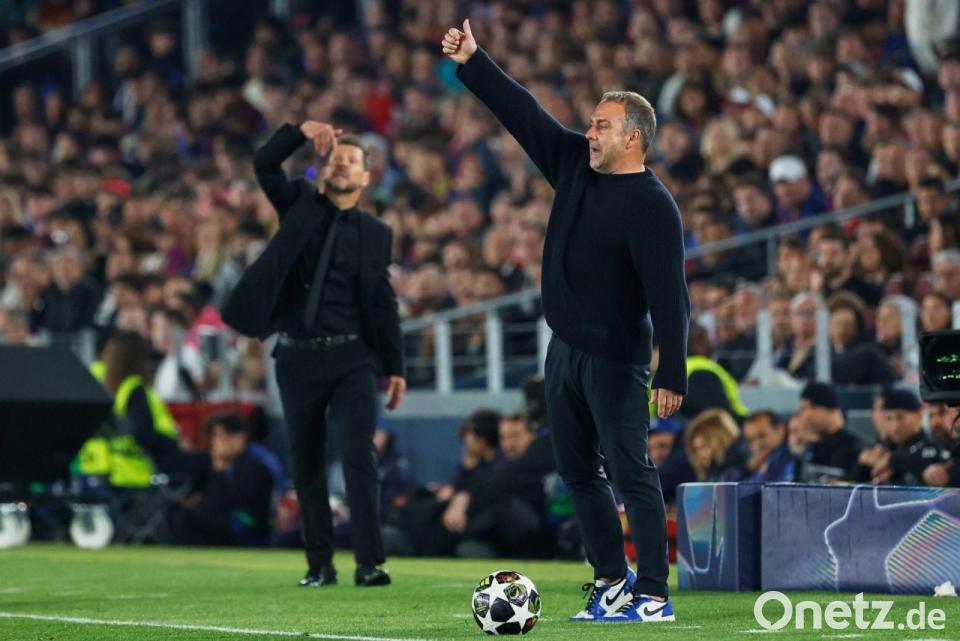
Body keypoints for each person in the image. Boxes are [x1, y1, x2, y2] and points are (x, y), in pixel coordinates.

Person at [444, 19, 687, 622]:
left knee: (632, 472)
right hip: (564, 350)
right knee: (578, 473)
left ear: (633, 137)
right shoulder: (576, 165)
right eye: (591, 123)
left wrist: (673, 371)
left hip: (616, 357)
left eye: (602, 125)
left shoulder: (653, 205)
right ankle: (611, 582)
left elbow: (670, 296)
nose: (590, 132)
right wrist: (475, 61)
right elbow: (524, 114)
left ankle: (654, 595)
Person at [222, 122, 406, 588]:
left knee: (359, 458)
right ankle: (319, 564)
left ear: (366, 178)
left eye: (352, 161)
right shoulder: (299, 203)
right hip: (297, 357)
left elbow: (382, 301)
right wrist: (299, 132)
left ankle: (369, 563)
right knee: (305, 462)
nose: (342, 164)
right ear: (324, 168)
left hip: (352, 358)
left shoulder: (377, 232)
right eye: (336, 158)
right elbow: (264, 163)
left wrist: (395, 367)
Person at [171, 413, 278, 546]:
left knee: (191, 519)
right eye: (213, 436)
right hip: (226, 516)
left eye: (220, 436)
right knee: (176, 510)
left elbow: (229, 502)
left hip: (248, 522)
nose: (214, 442)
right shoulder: (230, 462)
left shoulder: (257, 464)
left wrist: (219, 473)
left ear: (239, 437)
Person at [795, 382, 863, 482]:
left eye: (806, 408)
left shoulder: (854, 448)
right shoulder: (812, 447)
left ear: (827, 407)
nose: (804, 416)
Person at [742, 410, 795, 482]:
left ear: (780, 430)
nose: (757, 444)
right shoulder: (754, 464)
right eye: (751, 440)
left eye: (762, 436)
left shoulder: (792, 456)